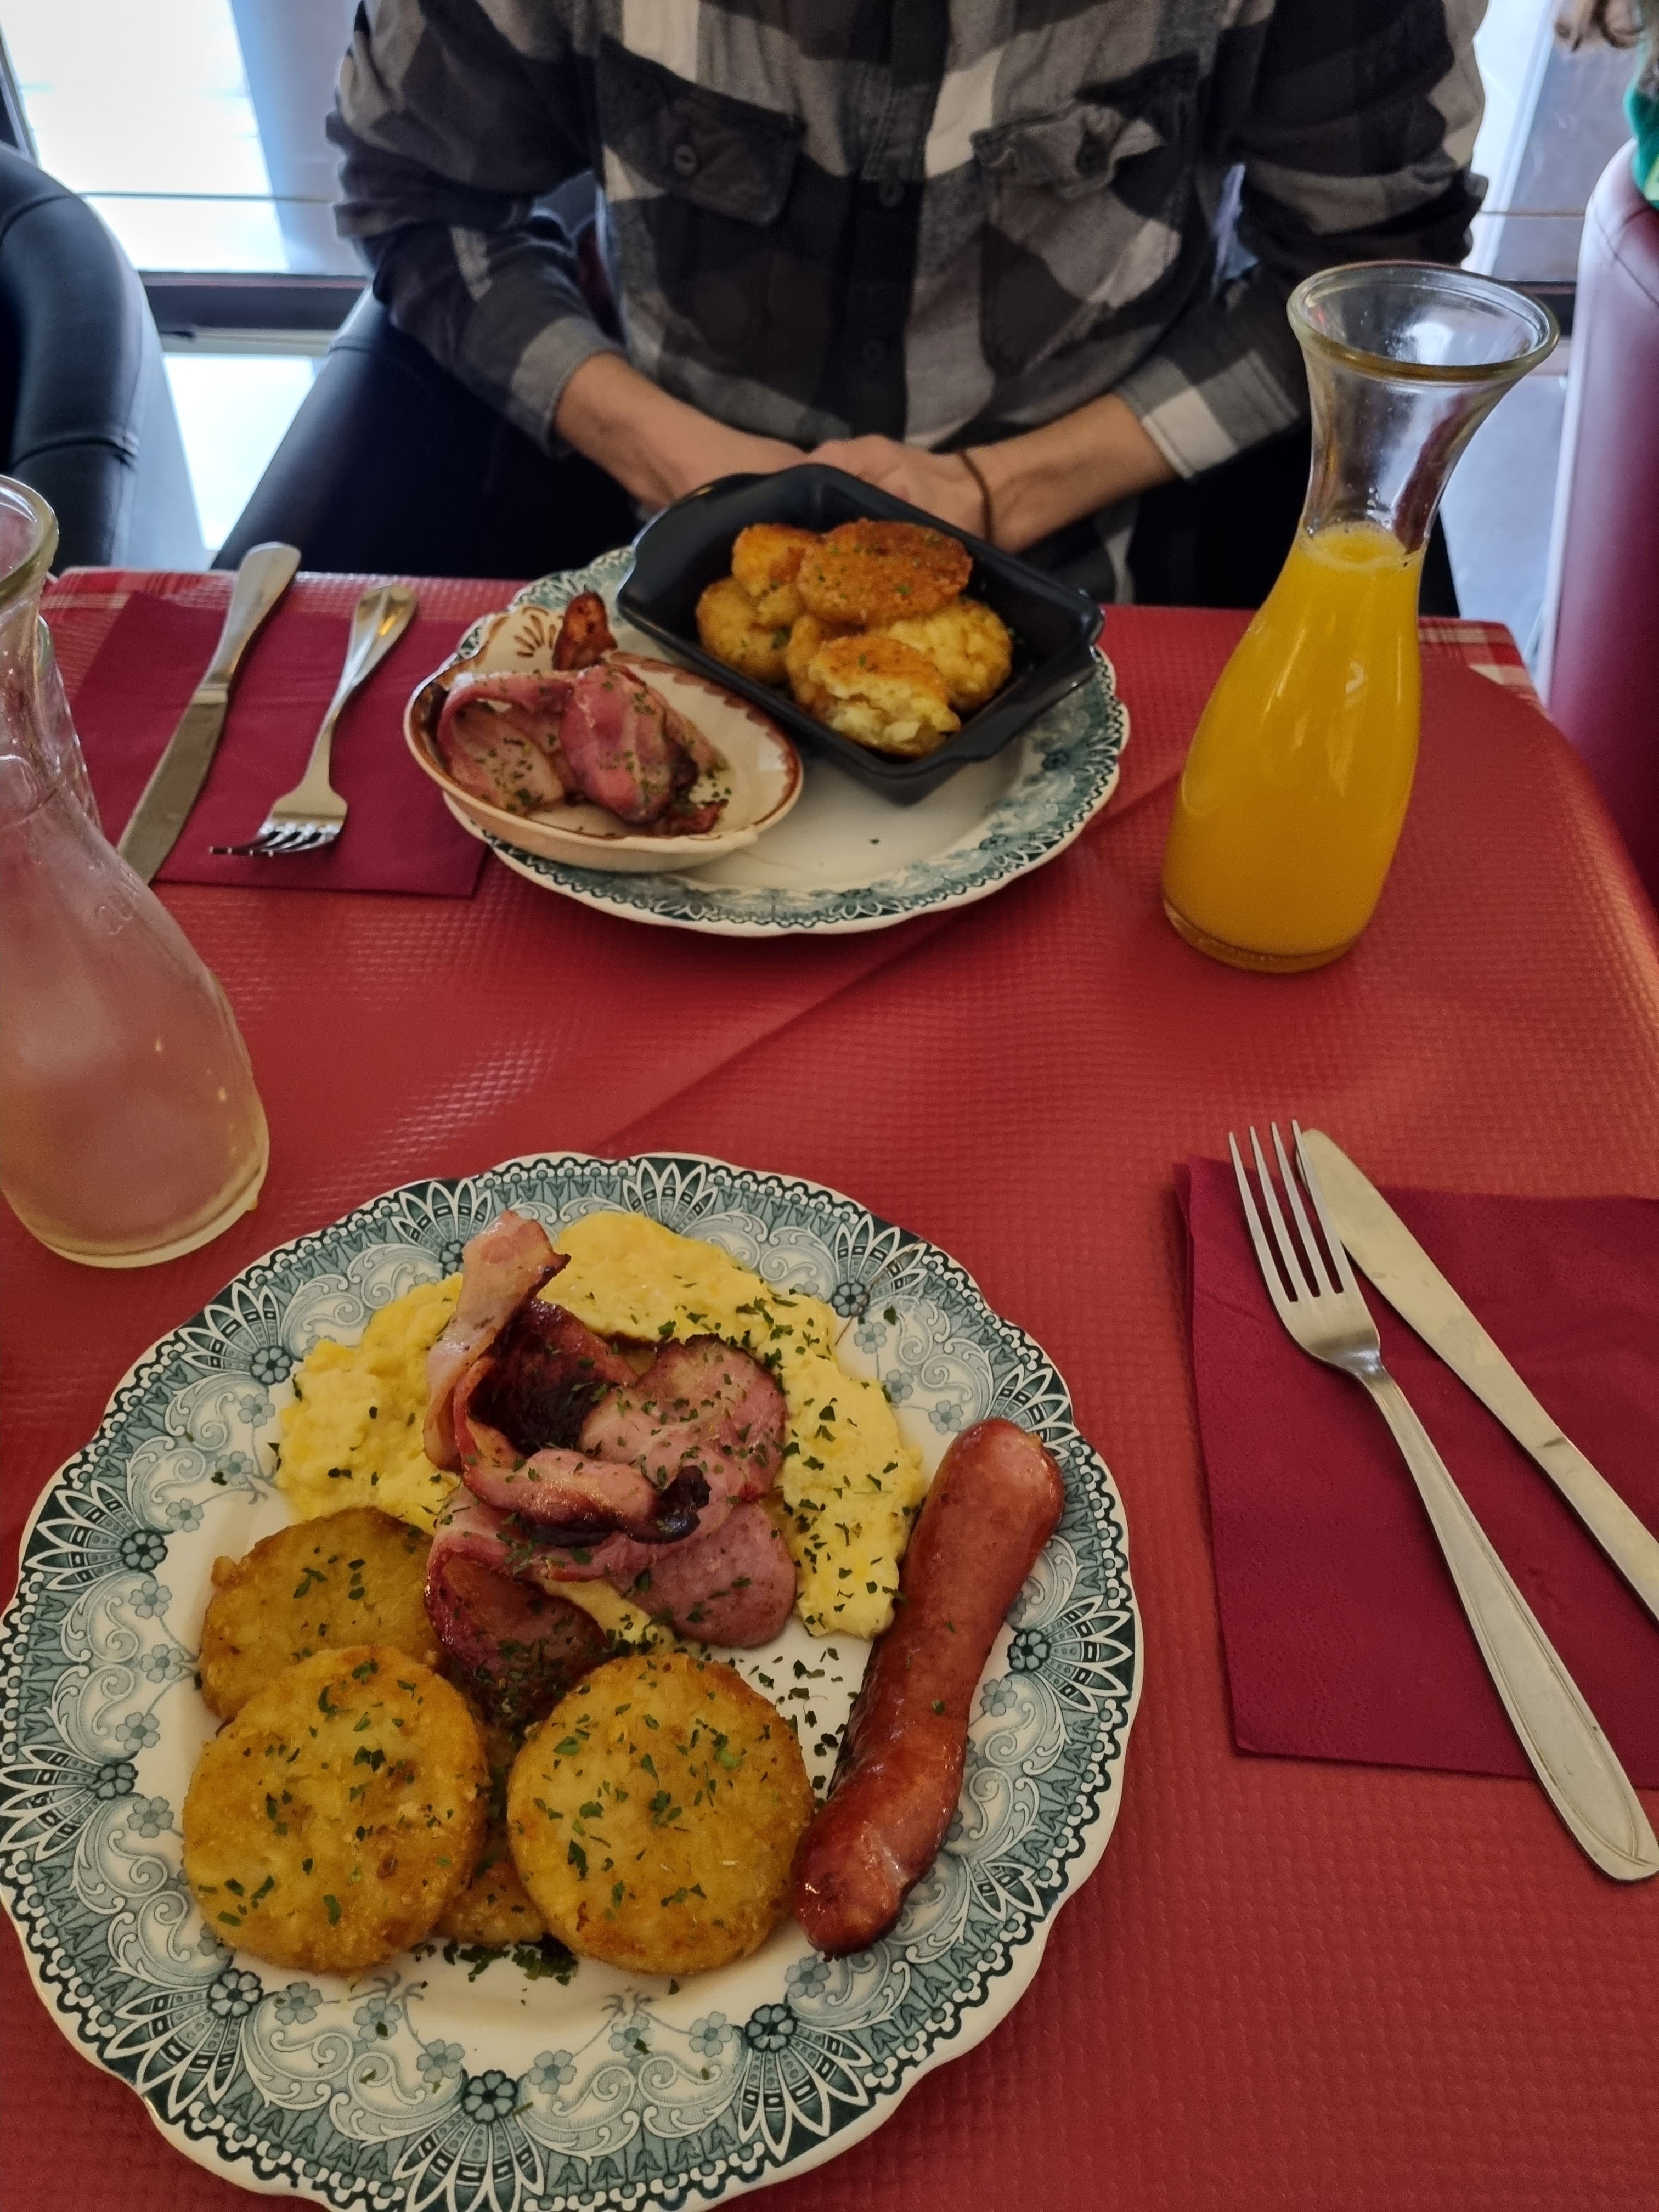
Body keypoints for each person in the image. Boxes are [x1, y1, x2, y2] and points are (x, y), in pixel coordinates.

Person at [225, 3, 1483, 606]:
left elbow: (1366, 277)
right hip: (650, 554)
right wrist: (682, 460)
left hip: (1108, 559)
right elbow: (418, 195)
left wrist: (1005, 492)